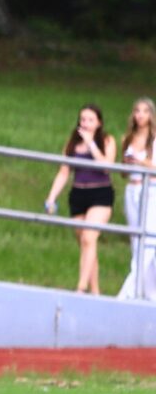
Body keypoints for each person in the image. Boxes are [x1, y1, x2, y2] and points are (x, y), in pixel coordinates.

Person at [44, 104, 117, 295]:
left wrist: (91, 143)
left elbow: (106, 167)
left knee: (89, 237)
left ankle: (80, 289)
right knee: (86, 245)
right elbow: (64, 171)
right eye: (83, 119)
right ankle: (95, 292)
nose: (85, 123)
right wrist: (51, 197)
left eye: (90, 120)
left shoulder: (107, 140)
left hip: (100, 194)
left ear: (99, 123)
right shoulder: (72, 143)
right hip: (78, 195)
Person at [118, 98, 156, 300]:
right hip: (131, 190)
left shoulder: (155, 140)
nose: (140, 115)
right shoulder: (128, 138)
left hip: (149, 191)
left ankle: (127, 293)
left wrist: (141, 161)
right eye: (137, 111)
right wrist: (128, 162)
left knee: (148, 240)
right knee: (135, 240)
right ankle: (149, 293)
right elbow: (123, 172)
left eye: (144, 111)